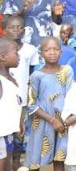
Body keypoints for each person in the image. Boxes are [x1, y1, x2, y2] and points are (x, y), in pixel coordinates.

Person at [26, 37, 73, 171]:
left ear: (61, 52)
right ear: (41, 54)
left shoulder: (67, 71)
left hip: (62, 121)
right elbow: (32, 104)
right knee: (36, 160)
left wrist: (64, 119)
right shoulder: (36, 76)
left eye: (55, 49)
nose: (52, 52)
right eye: (47, 50)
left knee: (59, 159)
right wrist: (51, 119)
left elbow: (71, 96)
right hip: (43, 121)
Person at [4, 15, 39, 111]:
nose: (16, 30)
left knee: (21, 122)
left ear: (24, 31)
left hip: (22, 95)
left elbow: (31, 73)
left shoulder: (30, 49)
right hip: (4, 95)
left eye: (20, 27)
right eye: (12, 27)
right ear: (5, 31)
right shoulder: (1, 49)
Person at [0, 36, 22, 171]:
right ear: (3, 57)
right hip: (0, 134)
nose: (19, 56)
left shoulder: (11, 78)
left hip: (8, 133)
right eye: (16, 53)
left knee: (7, 164)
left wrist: (19, 123)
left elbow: (13, 104)